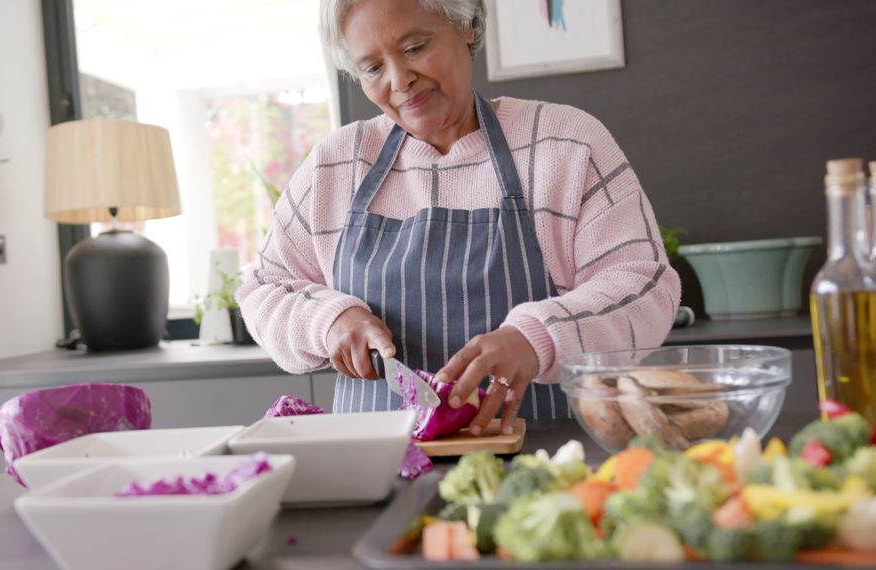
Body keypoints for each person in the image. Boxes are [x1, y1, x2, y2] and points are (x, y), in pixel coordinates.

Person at [236, 0, 681, 436]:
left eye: (414, 48)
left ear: (465, 26)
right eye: (373, 68)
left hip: (546, 460)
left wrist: (537, 338)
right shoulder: (336, 163)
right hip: (375, 473)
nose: (400, 80)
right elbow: (262, 290)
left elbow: (644, 283)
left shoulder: (565, 143)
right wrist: (329, 321)